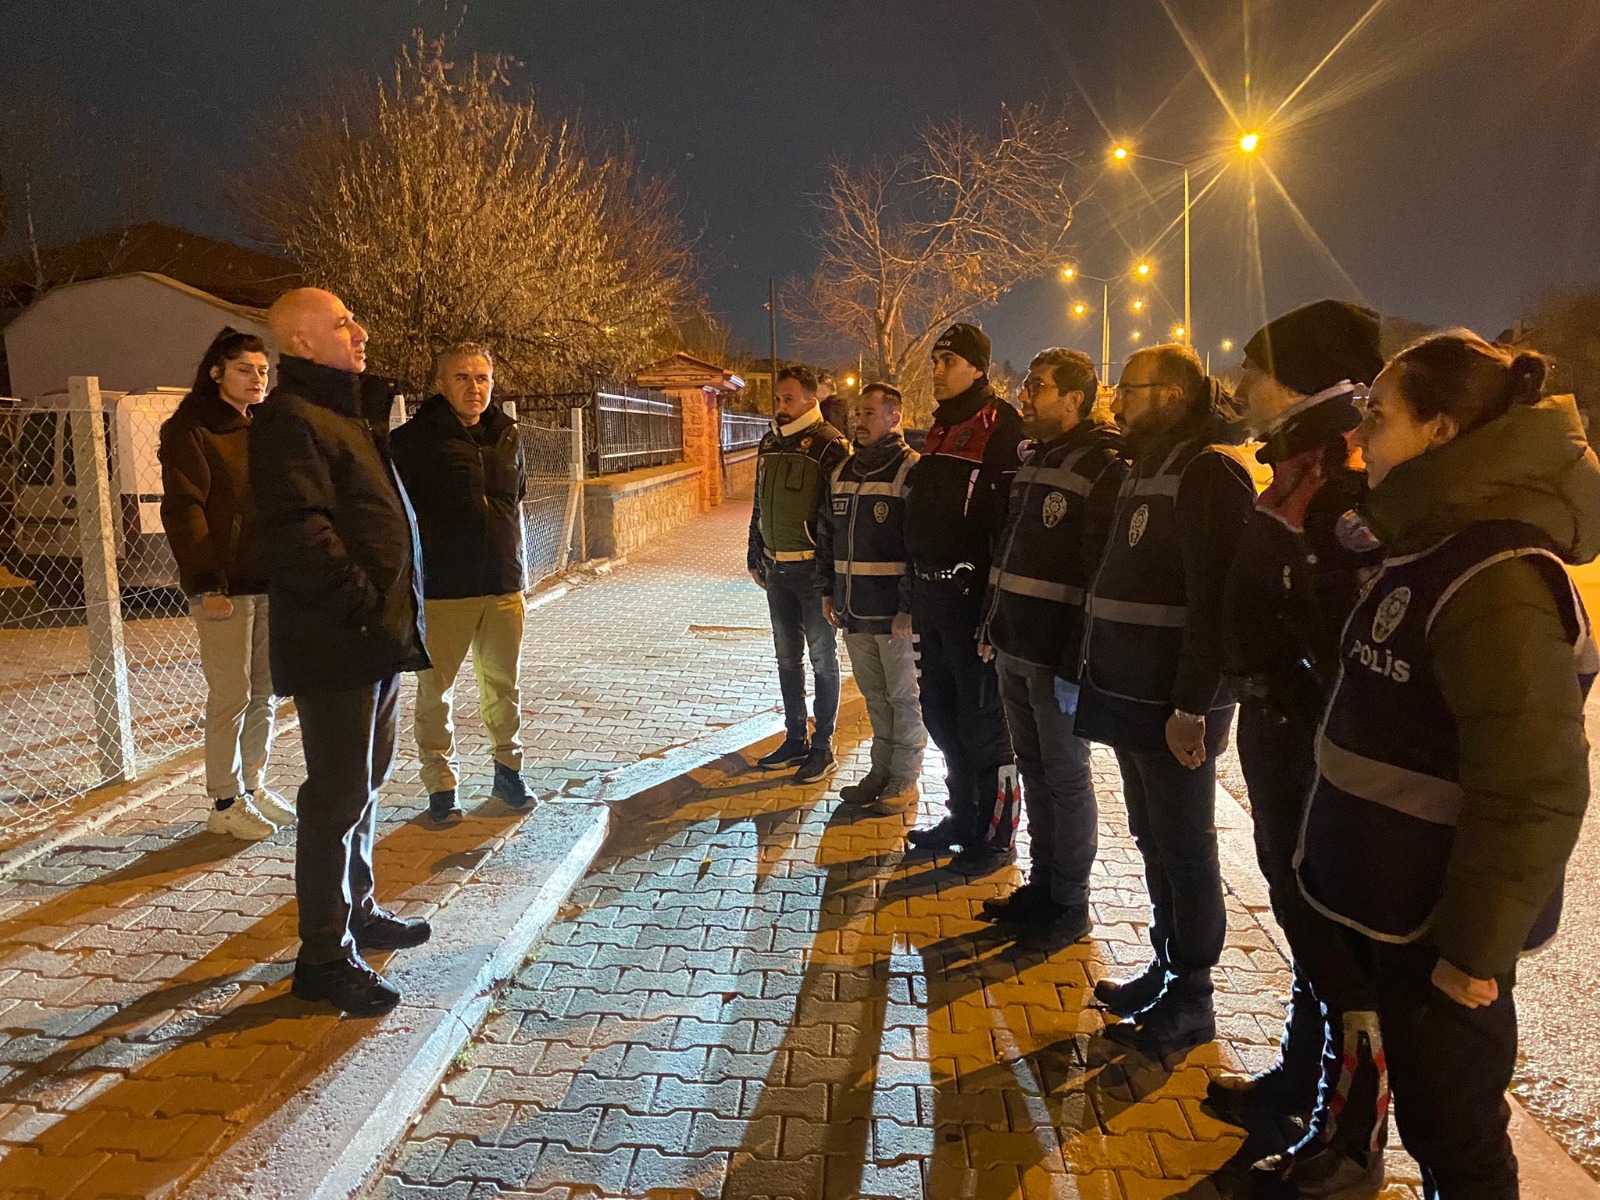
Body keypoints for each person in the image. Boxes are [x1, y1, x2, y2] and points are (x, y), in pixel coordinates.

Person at [1297, 335, 1598, 1200]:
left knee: (1454, 1132)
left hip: (1441, 937)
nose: (1357, 435)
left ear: (1439, 430)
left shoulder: (1497, 575)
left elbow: (1535, 785)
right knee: (1436, 1121)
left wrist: (1472, 953)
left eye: (1377, 415)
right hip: (1400, 911)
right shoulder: (1433, 543)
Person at [1214, 301, 1390, 1197]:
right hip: (1282, 730)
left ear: (1291, 377)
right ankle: (1302, 1080)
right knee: (1299, 913)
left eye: (1251, 369)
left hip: (1312, 739)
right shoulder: (1300, 459)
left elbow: (1349, 621)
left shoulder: (1341, 469)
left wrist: (1296, 685)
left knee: (1333, 937)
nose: (1239, 386)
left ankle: (1350, 1139)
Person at [250, 287, 432, 1017]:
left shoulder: (343, 412)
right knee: (334, 798)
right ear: (299, 343)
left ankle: (357, 910)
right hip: (341, 641)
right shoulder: (290, 420)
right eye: (341, 323)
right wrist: (364, 605)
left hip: (376, 641)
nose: (360, 331)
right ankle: (322, 955)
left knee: (368, 784)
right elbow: (302, 533)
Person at [1076, 343, 1255, 1054]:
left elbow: (1215, 602)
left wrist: (1194, 706)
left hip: (1173, 705)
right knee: (1153, 839)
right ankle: (1167, 963)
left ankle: (1195, 996)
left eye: (1132, 388)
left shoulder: (1209, 473)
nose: (1117, 402)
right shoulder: (1148, 466)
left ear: (1173, 396)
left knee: (1186, 847)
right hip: (1129, 692)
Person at [976, 348, 1126, 943]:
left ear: (1074, 399)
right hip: (1016, 644)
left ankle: (1070, 902)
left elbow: (1096, 575)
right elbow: (1009, 554)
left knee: (1066, 777)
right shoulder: (1037, 460)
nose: (1025, 397)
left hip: (1055, 656)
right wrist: (992, 624)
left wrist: (1075, 662)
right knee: (1035, 772)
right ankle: (1044, 887)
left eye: (1037, 387)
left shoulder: (1104, 466)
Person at [391, 343, 535, 823]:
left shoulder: (508, 435)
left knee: (504, 685)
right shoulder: (413, 442)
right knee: (436, 690)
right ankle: (441, 785)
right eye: (462, 378)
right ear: (439, 383)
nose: (475, 388)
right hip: (443, 588)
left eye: (482, 378)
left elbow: (515, 497)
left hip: (503, 584)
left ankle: (509, 774)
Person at [159, 327, 292, 841]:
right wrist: (207, 582)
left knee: (264, 693)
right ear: (217, 371)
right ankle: (222, 801)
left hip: (266, 581)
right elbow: (184, 511)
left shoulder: (260, 426)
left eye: (263, 370)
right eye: (245, 369)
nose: (257, 378)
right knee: (231, 694)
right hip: (223, 589)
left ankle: (252, 789)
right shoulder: (191, 429)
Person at [903, 322, 1026, 875]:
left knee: (985, 726)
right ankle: (963, 816)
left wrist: (994, 613)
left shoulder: (1001, 426)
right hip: (932, 598)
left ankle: (995, 838)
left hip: (974, 601)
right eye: (935, 361)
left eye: (948, 361)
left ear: (978, 366)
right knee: (942, 714)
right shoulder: (937, 429)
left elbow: (1008, 525)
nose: (937, 370)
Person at [816, 382, 925, 812]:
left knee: (903, 697)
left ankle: (905, 776)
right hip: (852, 609)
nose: (858, 422)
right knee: (875, 697)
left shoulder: (911, 470)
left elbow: (920, 545)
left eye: (869, 413)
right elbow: (828, 537)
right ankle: (881, 770)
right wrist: (828, 590)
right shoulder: (841, 472)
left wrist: (908, 606)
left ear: (894, 417)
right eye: (856, 414)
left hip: (893, 614)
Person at [747, 364, 851, 783]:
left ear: (811, 399)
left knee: (824, 660)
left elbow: (835, 518)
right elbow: (758, 503)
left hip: (812, 572)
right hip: (776, 569)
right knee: (787, 659)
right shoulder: (769, 443)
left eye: (788, 399)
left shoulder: (830, 447)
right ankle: (794, 739)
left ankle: (822, 747)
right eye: (778, 399)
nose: (781, 406)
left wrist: (830, 579)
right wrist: (755, 552)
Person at [816, 369, 850, 437]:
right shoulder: (842, 405)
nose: (817, 393)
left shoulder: (826, 406)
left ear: (826, 388)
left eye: (819, 390)